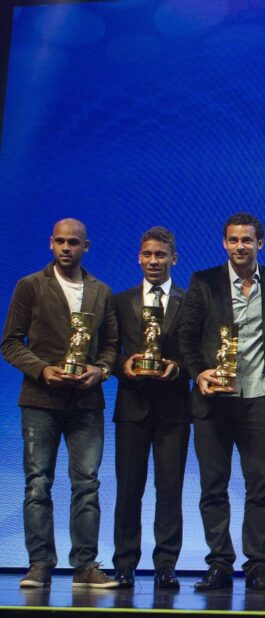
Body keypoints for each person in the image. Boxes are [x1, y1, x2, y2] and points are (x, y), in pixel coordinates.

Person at [1, 218, 118, 589]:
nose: (67, 248)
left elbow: (112, 347)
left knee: (87, 484)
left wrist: (100, 370)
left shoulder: (102, 291)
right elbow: (10, 343)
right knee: (38, 483)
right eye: (61, 242)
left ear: (87, 247)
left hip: (86, 402)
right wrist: (42, 370)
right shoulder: (30, 286)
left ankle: (85, 566)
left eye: (74, 242)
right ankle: (39, 564)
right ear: (51, 244)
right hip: (41, 400)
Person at [178, 212, 265, 591]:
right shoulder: (203, 281)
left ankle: (258, 564)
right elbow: (186, 338)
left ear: (260, 243)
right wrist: (199, 373)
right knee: (213, 486)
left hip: (258, 399)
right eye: (233, 240)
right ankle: (219, 564)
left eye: (247, 240)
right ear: (225, 244)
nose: (240, 246)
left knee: (261, 487)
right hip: (212, 402)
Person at [110, 226, 190, 590]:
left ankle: (166, 565)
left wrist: (179, 368)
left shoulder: (190, 303)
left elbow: (199, 353)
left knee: (170, 490)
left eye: (161, 255)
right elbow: (107, 350)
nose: (154, 261)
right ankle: (124, 564)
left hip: (174, 409)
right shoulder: (120, 301)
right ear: (138, 257)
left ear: (173, 258)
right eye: (147, 255)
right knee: (129, 490)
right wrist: (121, 366)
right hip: (132, 407)